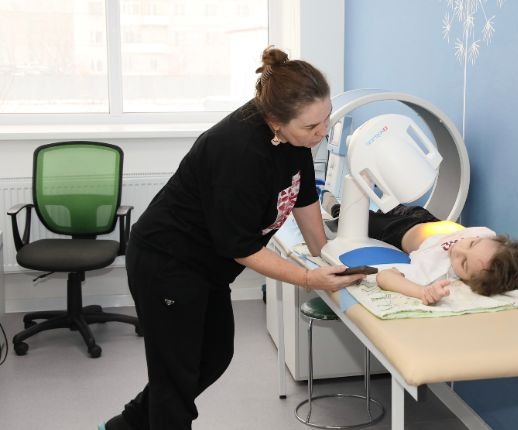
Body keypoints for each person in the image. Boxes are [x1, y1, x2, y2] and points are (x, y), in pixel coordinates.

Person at [101, 47, 365, 430]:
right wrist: (308, 277)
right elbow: (240, 247)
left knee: (214, 357)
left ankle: (124, 426)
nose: (322, 132)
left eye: (326, 119)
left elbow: (303, 197)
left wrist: (327, 258)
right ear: (275, 121)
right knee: (175, 382)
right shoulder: (238, 150)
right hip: (167, 262)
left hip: (209, 269)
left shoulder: (296, 140)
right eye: (312, 127)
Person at [321, 193, 518, 305]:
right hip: (427, 218)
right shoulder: (489, 240)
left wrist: (422, 292)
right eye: (472, 243)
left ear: (469, 282)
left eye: (463, 264)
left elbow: (386, 278)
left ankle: (331, 204)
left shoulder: (436, 272)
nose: (458, 249)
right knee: (389, 202)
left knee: (355, 216)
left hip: (398, 231)